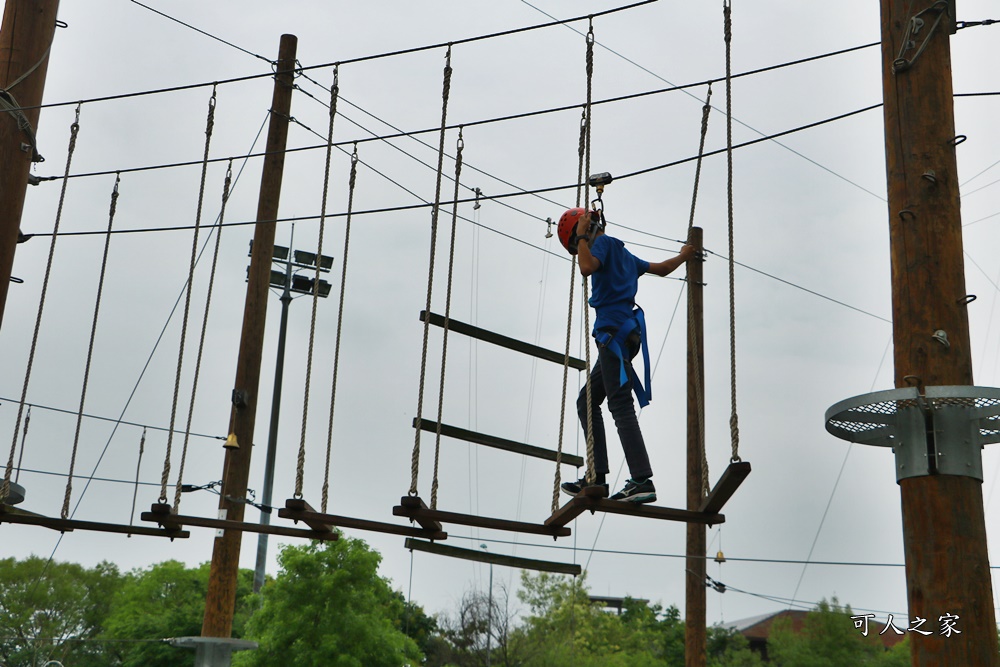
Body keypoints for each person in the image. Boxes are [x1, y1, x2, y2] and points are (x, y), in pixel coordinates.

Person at [556, 207, 695, 503]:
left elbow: (586, 267)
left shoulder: (602, 244)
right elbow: (661, 268)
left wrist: (581, 237)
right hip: (622, 336)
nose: (580, 249)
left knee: (620, 406)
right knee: (587, 401)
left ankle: (642, 480)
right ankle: (598, 476)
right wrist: (684, 255)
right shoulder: (624, 254)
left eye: (577, 243)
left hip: (614, 335)